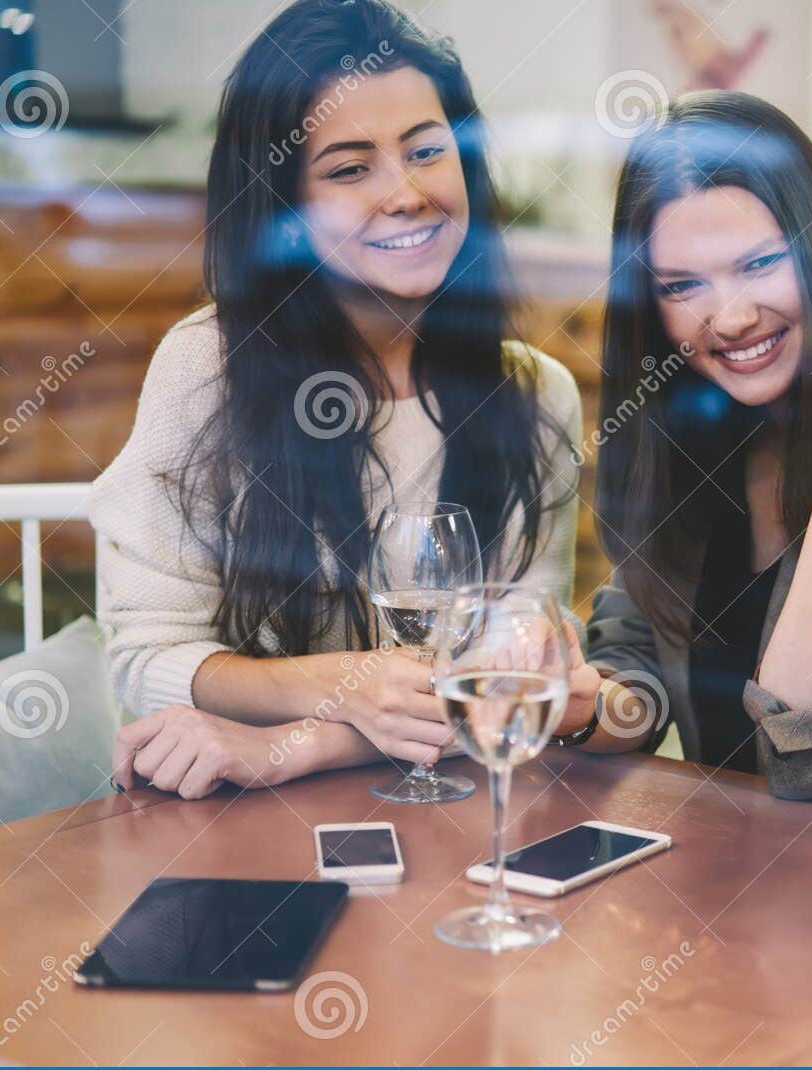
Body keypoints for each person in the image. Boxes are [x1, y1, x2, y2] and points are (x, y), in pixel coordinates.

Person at [90, 0, 579, 800]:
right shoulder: (206, 369)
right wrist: (348, 681)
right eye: (350, 169)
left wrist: (299, 744)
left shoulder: (537, 395)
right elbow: (149, 658)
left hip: (450, 823)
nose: (406, 193)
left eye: (427, 151)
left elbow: (507, 678)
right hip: (234, 830)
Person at [549, 91, 812, 800]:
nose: (733, 317)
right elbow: (640, 662)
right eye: (683, 284)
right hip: (721, 887)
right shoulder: (690, 421)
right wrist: (582, 706)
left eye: (758, 264)